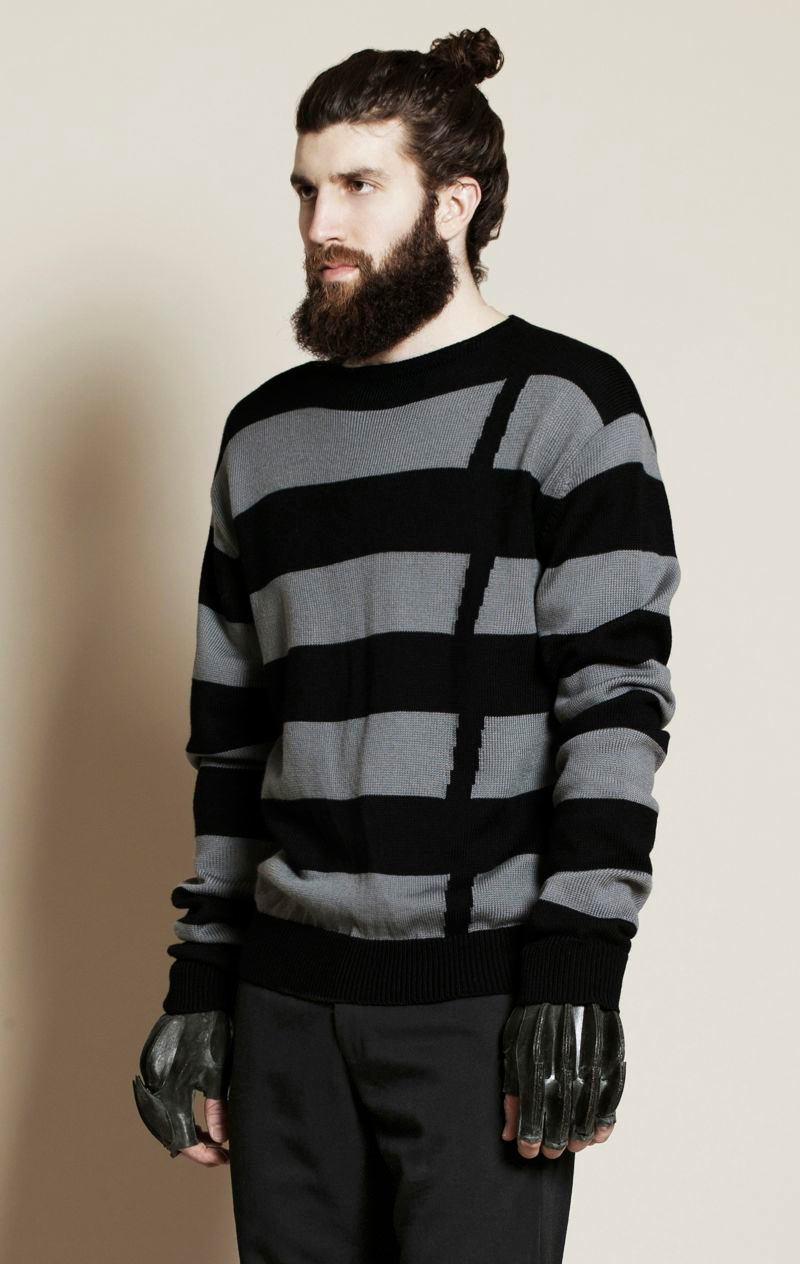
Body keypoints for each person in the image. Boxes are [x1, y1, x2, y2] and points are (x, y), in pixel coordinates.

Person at [133, 27, 680, 1264]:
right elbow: (230, 739)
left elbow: (613, 703)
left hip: (477, 1009)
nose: (318, 223)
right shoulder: (262, 438)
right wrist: (199, 985)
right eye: (304, 189)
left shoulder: (566, 408)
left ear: (453, 202)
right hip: (282, 1010)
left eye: (356, 185)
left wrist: (576, 968)